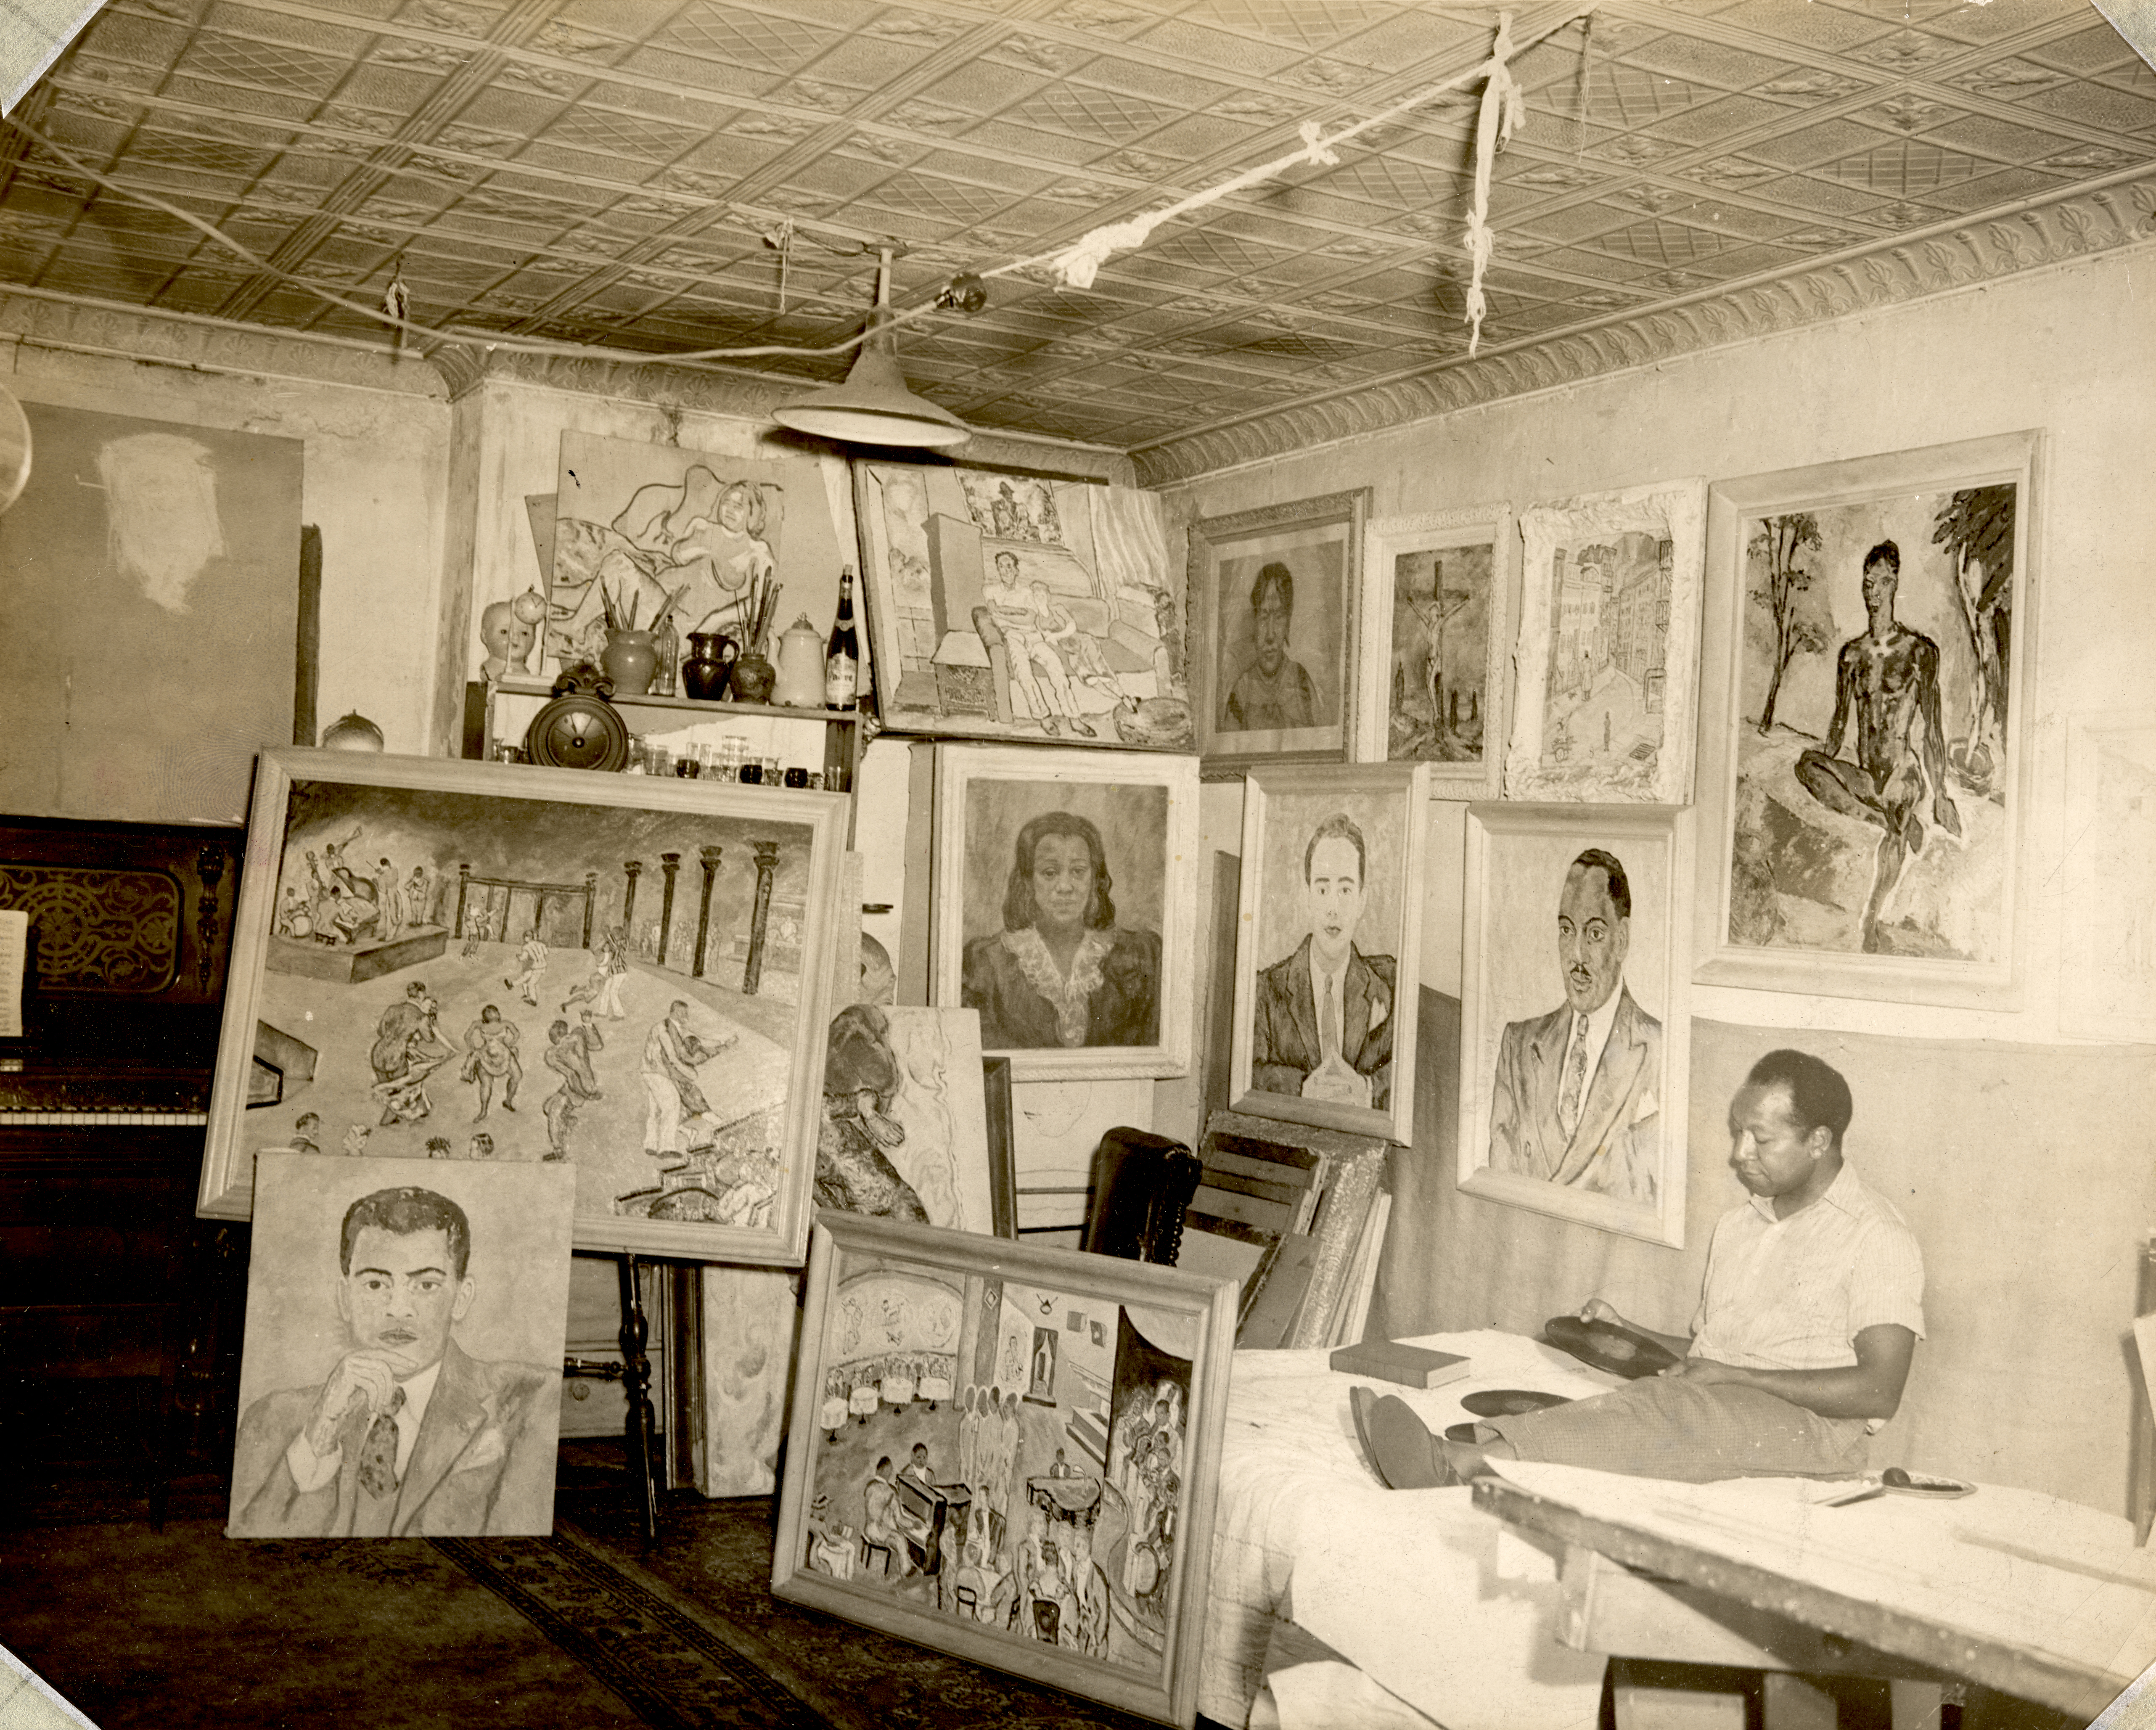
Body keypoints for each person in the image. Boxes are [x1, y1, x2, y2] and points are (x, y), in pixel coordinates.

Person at [1364, 1050, 1924, 1489]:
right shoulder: (1739, 1226)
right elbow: (1710, 1354)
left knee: (1670, 1407)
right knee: (1641, 1403)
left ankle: (1457, 1463)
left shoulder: (1876, 1236)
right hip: (1723, 1404)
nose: (1738, 1153)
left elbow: (1879, 1392)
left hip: (1815, 1433)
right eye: (1737, 1132)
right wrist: (1629, 1331)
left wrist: (1736, 1378)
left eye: (1760, 1138)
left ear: (1819, 1141)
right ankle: (1487, 1451)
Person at [228, 1186, 556, 1536]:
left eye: (426, 1285)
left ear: (461, 1298)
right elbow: (250, 1553)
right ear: (345, 1299)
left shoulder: (531, 1401)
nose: (398, 1310)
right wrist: (321, 1434)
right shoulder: (272, 1419)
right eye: (375, 1285)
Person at [1795, 540, 1962, 952]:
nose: (1873, 593)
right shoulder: (1852, 655)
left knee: (1898, 801)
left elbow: (1932, 730)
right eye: (1868, 584)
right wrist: (1826, 762)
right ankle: (1888, 820)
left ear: (1895, 585)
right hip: (1868, 778)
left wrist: (1940, 793)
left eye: (1882, 583)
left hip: (1902, 769)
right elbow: (1838, 724)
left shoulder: (1919, 651)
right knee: (1806, 766)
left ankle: (1870, 919)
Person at [1487, 847, 1664, 1203]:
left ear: (1622, 940)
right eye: (1566, 930)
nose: (1576, 956)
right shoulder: (1518, 1045)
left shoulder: (1659, 1049)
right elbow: (1500, 1182)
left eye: (1594, 934)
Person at [961, 811, 1160, 1051]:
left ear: (1095, 879)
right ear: (1028, 881)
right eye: (1050, 873)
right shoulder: (985, 962)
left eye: (1078, 871)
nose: (1065, 887)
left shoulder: (1142, 955)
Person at [1250, 813, 1394, 1108]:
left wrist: (1368, 1089)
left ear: (1362, 901)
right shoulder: (1266, 990)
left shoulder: (1390, 983)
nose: (1333, 908)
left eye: (1345, 890)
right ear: (1307, 897)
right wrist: (1302, 1088)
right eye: (1322, 889)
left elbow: (1413, 1068)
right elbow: (1248, 1073)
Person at [982, 550, 1095, 739]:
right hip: (1013, 637)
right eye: (1001, 566)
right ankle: (1044, 717)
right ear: (998, 570)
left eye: (1009, 566)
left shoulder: (1027, 593)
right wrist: (1018, 613)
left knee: (1057, 667)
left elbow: (1029, 620)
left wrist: (1004, 613)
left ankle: (1074, 718)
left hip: (1034, 636)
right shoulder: (990, 590)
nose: (1006, 570)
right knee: (1024, 675)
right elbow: (994, 614)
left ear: (1016, 570)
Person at [1222, 561, 1318, 732]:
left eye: (1279, 617)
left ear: (1288, 623)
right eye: (1264, 618)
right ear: (1254, 623)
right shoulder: (1242, 690)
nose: (1270, 636)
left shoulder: (1301, 681)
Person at [640, 999, 737, 1161]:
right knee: (672, 1104)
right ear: (675, 1012)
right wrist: (689, 1073)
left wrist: (723, 1043)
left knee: (656, 1107)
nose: (686, 1016)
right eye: (683, 1013)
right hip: (658, 1072)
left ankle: (650, 1144)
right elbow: (673, 1056)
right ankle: (666, 1147)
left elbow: (700, 1040)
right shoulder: (664, 1030)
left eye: (686, 1013)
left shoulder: (677, 1028)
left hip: (656, 1071)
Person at [542, 1012, 604, 1161]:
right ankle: (569, 1121)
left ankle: (558, 1149)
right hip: (579, 1085)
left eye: (552, 1030)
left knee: (555, 1111)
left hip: (581, 1087)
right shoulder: (577, 1036)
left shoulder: (554, 1052)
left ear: (558, 1033)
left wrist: (588, 1094)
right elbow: (597, 1045)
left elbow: (572, 1075)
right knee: (548, 1106)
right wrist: (587, 1024)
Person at [459, 1005, 521, 1121]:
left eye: (494, 1012)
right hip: (486, 1056)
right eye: (489, 1013)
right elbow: (467, 1036)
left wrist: (509, 1046)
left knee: (517, 1076)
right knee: (486, 1084)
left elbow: (517, 1034)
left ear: (498, 1014)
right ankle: (483, 1111)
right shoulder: (479, 1024)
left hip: (504, 1055)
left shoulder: (506, 1024)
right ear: (485, 1016)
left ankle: (508, 1101)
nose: (492, 1014)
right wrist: (473, 1051)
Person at [505, 926, 548, 1008]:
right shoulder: (541, 944)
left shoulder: (526, 947)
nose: (525, 939)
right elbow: (546, 953)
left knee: (531, 984)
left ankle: (533, 1000)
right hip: (542, 966)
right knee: (526, 976)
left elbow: (523, 958)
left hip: (537, 967)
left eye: (525, 937)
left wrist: (519, 957)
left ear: (529, 938)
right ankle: (512, 985)